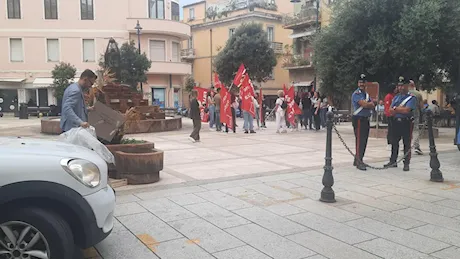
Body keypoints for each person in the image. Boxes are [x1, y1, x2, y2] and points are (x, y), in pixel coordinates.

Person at [385, 76, 416, 171]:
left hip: (406, 122)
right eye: (399, 85)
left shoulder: (411, 97)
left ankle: (406, 163)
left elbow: (407, 110)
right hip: (395, 122)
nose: (400, 87)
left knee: (406, 143)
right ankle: (393, 161)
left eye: (402, 85)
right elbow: (390, 110)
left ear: (407, 86)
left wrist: (396, 109)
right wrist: (397, 110)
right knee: (394, 143)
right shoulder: (396, 97)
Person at [351, 74, 375, 171]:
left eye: (363, 82)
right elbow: (364, 104)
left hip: (365, 119)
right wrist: (369, 104)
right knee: (360, 141)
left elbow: (372, 104)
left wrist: (370, 104)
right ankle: (359, 162)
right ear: (358, 83)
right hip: (359, 119)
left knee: (364, 141)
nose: (361, 84)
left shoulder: (366, 94)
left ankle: (358, 159)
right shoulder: (356, 94)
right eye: (360, 82)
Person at [408, 80, 424, 155]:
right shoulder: (418, 94)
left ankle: (406, 146)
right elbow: (421, 106)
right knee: (415, 130)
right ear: (414, 85)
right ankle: (416, 146)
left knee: (406, 129)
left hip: (406, 113)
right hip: (415, 113)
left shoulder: (405, 93)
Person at [384, 83, 398, 150]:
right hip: (390, 115)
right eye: (395, 88)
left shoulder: (395, 96)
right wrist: (390, 114)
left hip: (396, 115)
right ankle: (389, 142)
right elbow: (387, 106)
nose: (396, 89)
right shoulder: (388, 96)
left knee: (395, 130)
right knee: (390, 129)